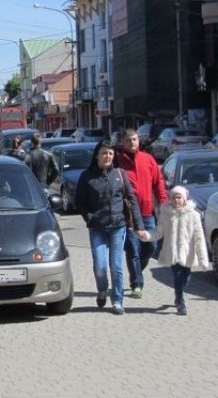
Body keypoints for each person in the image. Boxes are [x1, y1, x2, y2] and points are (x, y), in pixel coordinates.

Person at [76, 139, 146, 315]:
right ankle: (102, 289)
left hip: (118, 226)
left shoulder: (120, 174)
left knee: (116, 265)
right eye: (104, 153)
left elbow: (131, 200)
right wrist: (89, 217)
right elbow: (80, 202)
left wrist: (139, 225)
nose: (107, 156)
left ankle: (117, 300)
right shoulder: (87, 176)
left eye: (110, 153)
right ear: (97, 155)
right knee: (100, 265)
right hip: (97, 228)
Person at [141, 186, 209, 315]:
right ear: (170, 199)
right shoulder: (166, 214)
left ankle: (179, 293)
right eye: (173, 198)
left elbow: (199, 238)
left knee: (186, 277)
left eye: (179, 198)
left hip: (188, 253)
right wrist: (146, 235)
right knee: (177, 276)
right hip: (173, 252)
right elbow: (158, 232)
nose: (176, 200)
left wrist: (203, 260)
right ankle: (180, 301)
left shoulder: (193, 215)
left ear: (184, 199)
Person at [116, 129, 168, 299]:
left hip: (147, 213)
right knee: (133, 250)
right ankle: (136, 283)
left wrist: (163, 201)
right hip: (128, 215)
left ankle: (137, 271)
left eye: (135, 139)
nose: (132, 143)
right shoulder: (118, 163)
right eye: (129, 140)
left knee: (151, 246)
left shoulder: (148, 159)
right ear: (123, 143)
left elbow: (158, 181)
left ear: (138, 141)